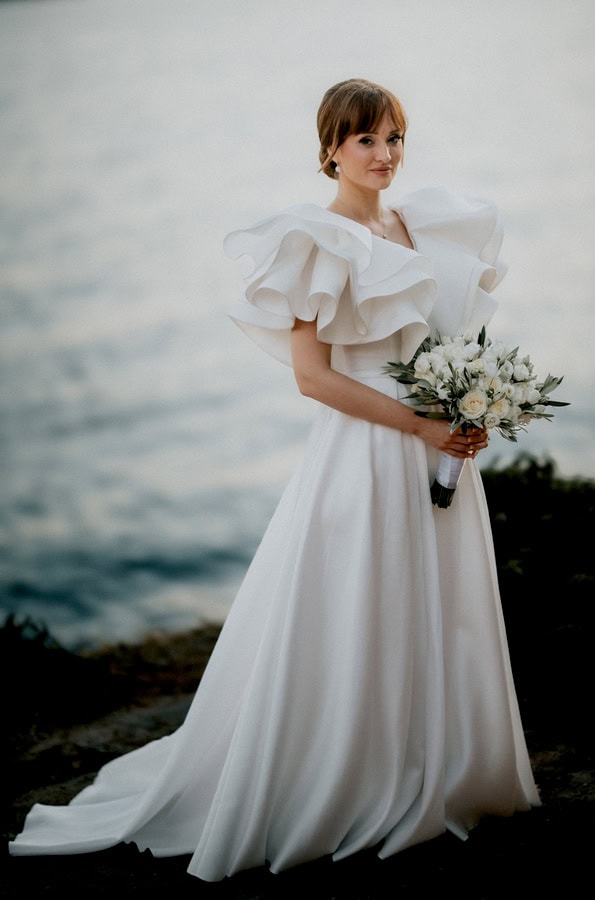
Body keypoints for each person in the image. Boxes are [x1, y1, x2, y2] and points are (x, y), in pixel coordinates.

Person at [9, 78, 539, 882]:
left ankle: (440, 764)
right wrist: (423, 424)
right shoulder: (316, 241)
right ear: (331, 147)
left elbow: (435, 341)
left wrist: (468, 401)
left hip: (438, 451)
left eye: (394, 138)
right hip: (365, 454)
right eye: (366, 141)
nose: (385, 155)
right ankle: (349, 777)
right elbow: (314, 380)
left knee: (439, 607)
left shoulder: (415, 220)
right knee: (361, 604)